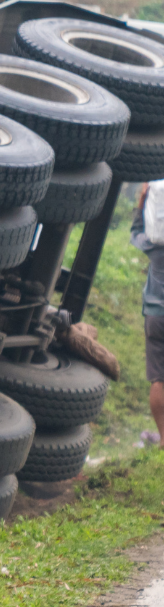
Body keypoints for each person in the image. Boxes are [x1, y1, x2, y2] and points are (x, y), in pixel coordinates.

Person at [134, 180, 164, 447]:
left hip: (157, 315)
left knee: (159, 378)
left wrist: (142, 201)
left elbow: (135, 231)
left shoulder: (155, 245)